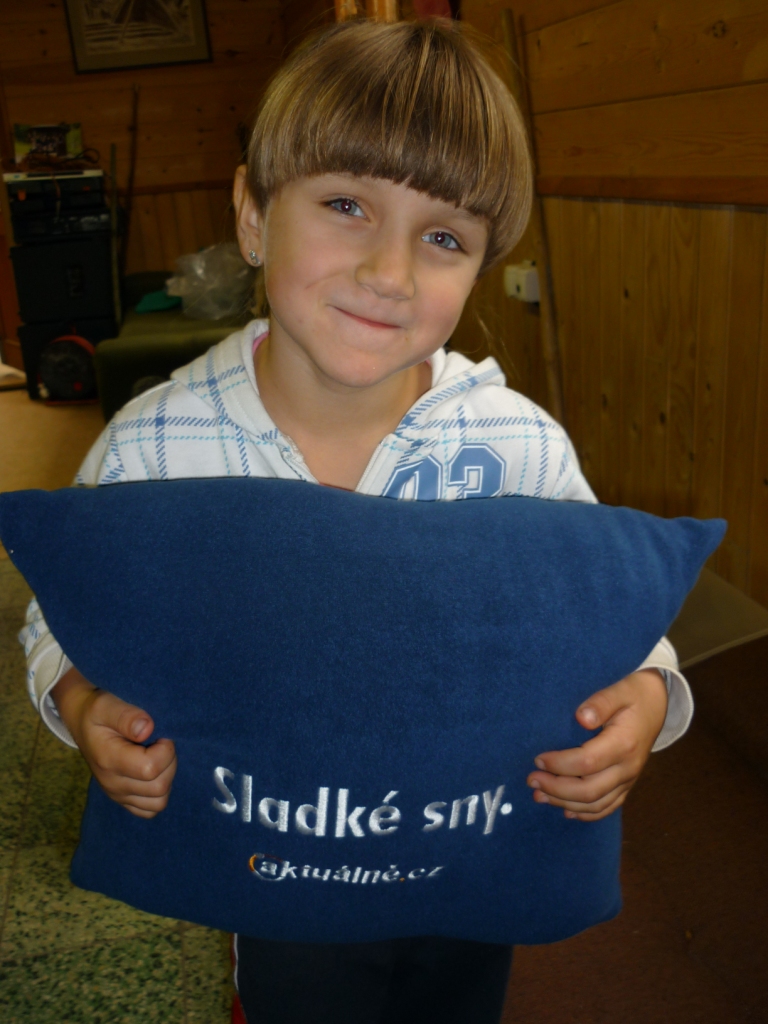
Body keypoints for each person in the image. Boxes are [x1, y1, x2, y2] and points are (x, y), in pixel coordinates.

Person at [21, 19, 688, 1024]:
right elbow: (62, 617)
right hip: (274, 866)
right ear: (253, 215)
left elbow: (609, 607)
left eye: (444, 237)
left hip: (469, 856)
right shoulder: (155, 447)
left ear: (479, 265)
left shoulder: (517, 445)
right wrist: (80, 701)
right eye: (346, 205)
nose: (390, 270)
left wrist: (647, 694)